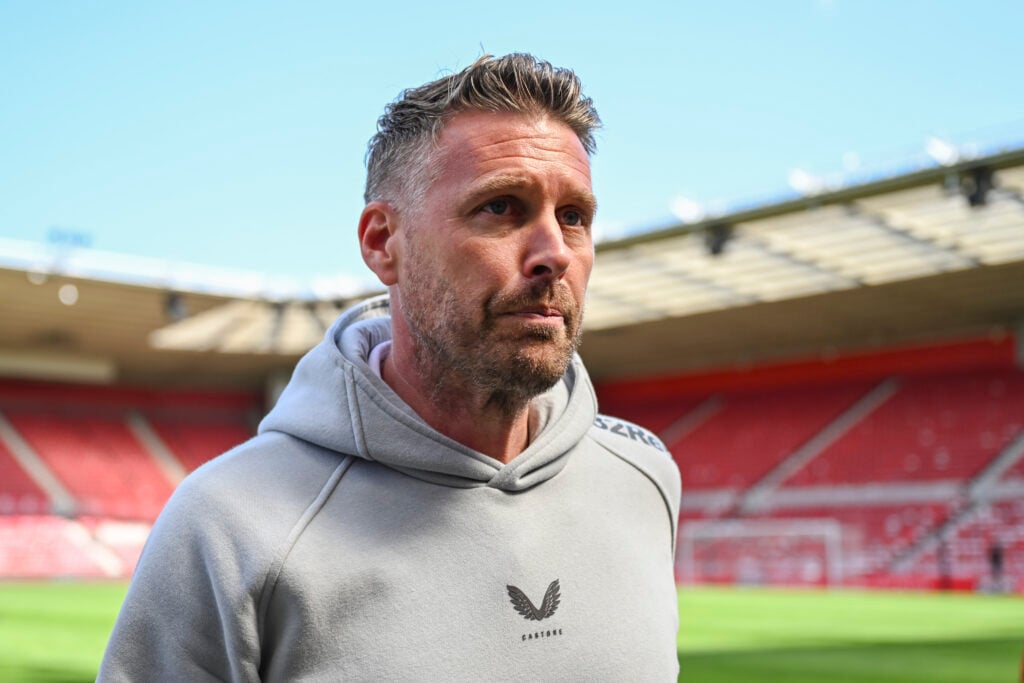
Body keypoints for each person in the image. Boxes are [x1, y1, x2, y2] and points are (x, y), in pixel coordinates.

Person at [99, 53, 681, 681]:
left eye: (574, 217)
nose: (554, 253)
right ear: (382, 242)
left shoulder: (645, 479)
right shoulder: (228, 522)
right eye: (501, 208)